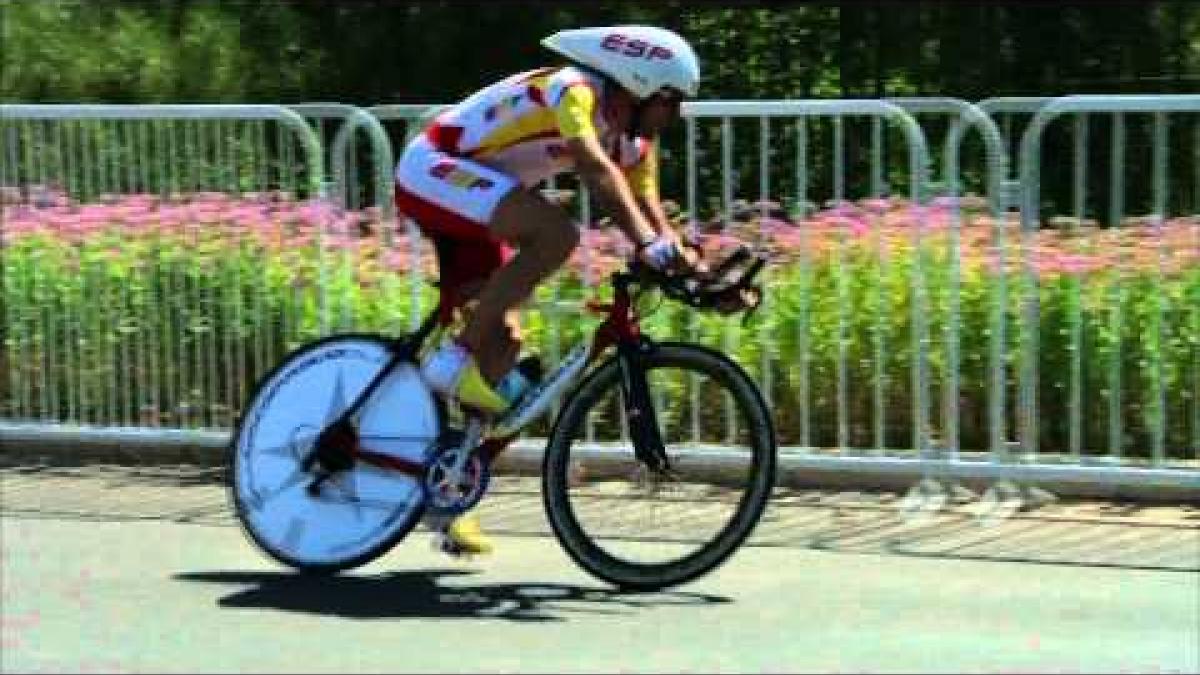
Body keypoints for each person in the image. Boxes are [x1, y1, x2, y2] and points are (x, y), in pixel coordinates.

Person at [394, 25, 704, 556]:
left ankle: (446, 497)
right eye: (671, 102)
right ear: (639, 84)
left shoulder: (636, 142)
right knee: (558, 234)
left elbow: (651, 215)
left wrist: (696, 272)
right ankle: (456, 351)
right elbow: (593, 168)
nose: (677, 117)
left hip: (475, 195)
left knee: (508, 354)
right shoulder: (572, 90)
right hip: (436, 168)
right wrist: (646, 243)